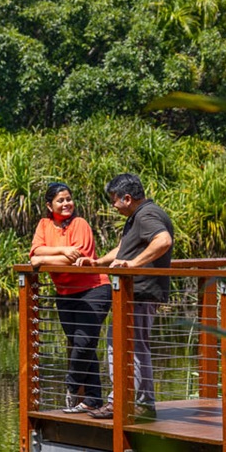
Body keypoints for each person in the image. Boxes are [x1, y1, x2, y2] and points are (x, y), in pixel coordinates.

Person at [75, 173, 173, 421]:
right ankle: (128, 402)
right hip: (132, 292)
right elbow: (123, 249)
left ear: (127, 198)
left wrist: (132, 265)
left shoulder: (147, 215)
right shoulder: (137, 217)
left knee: (131, 346)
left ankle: (133, 403)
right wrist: (97, 262)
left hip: (139, 292)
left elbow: (163, 240)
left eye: (114, 200)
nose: (113, 206)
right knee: (122, 345)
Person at [29, 182, 112, 413]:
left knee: (84, 342)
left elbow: (77, 259)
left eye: (69, 199)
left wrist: (42, 260)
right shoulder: (44, 224)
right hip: (65, 294)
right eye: (60, 200)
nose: (66, 204)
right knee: (82, 345)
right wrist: (62, 250)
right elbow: (36, 251)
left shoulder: (80, 224)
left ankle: (72, 384)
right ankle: (93, 399)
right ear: (49, 205)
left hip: (93, 290)